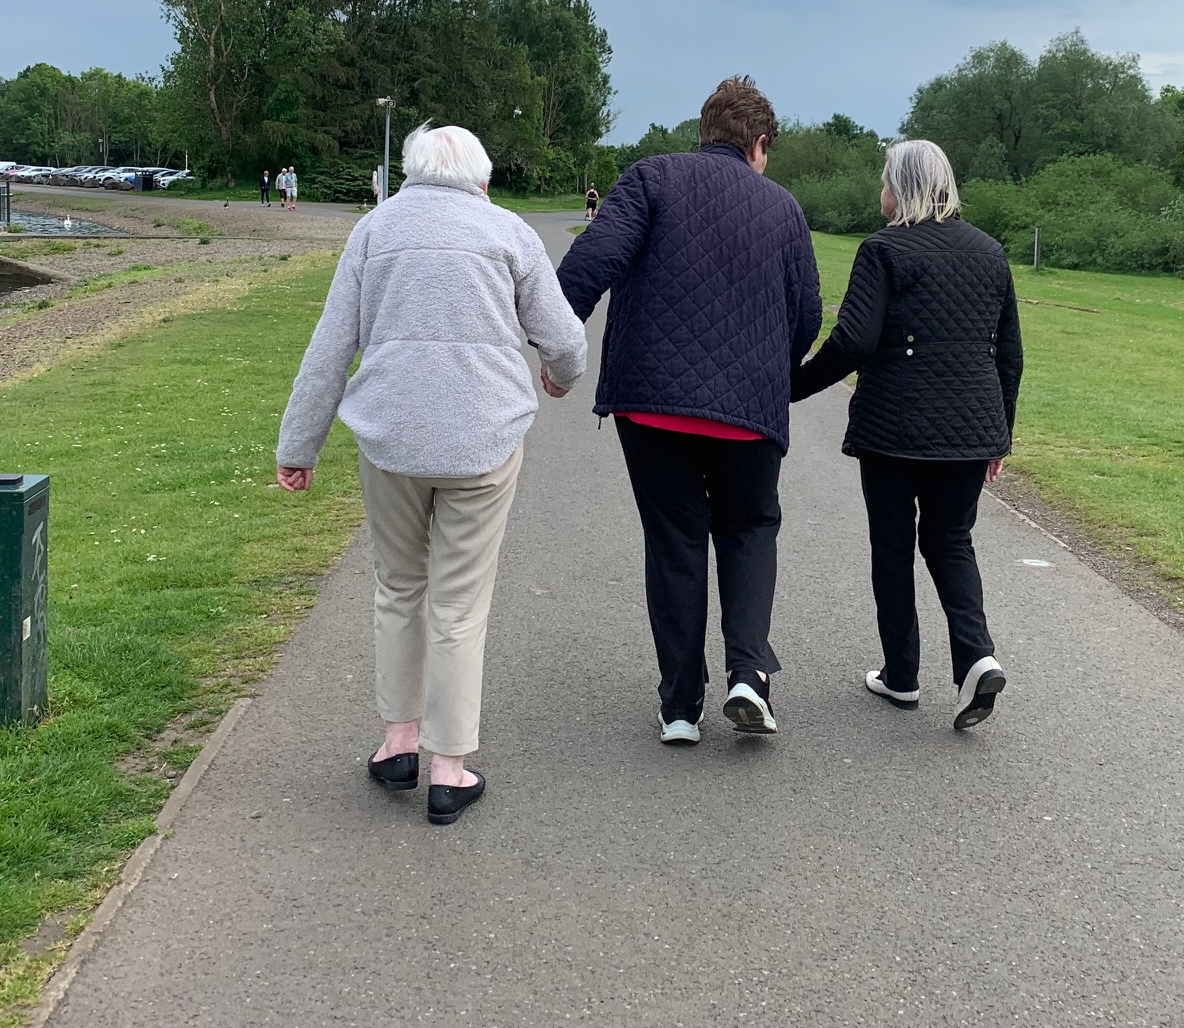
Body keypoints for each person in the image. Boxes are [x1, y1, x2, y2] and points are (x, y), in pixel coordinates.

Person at [275, 124, 586, 825]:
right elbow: (565, 340)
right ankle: (450, 766)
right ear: (480, 176)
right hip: (484, 438)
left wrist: (299, 444)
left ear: (413, 172)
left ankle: (398, 741)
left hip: (392, 439)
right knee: (460, 601)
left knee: (398, 587)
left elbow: (332, 345)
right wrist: (560, 378)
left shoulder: (374, 232)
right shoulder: (506, 231)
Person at [557, 76, 821, 745]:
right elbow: (807, 316)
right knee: (749, 528)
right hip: (749, 411)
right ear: (759, 144)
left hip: (652, 404)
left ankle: (679, 706)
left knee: (675, 541)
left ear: (705, 131)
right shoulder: (784, 209)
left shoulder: (651, 178)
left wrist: (553, 350)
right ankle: (748, 675)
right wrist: (773, 370)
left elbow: (591, 263)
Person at [790, 139, 1023, 730]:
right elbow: (1010, 356)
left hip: (894, 427)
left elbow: (854, 341)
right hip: (971, 429)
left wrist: (789, 388)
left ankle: (902, 675)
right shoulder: (990, 252)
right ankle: (978, 655)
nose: (880, 191)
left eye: (884, 179)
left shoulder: (884, 249)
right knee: (951, 541)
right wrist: (1001, 434)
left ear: (901, 185)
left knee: (893, 547)